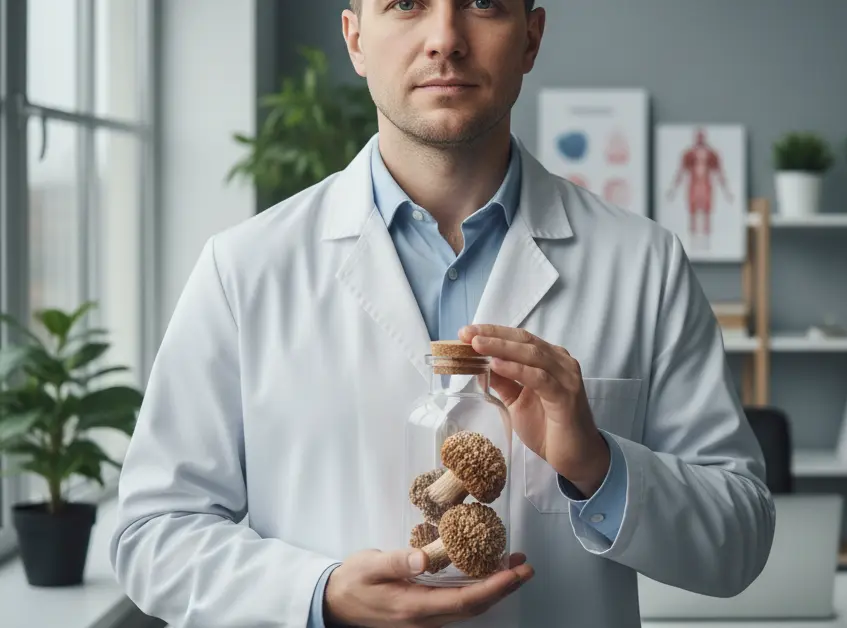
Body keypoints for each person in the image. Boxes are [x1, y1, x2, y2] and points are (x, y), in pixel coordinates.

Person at [109, 1, 775, 627]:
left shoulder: (643, 265)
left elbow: (740, 536)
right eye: (405, 3)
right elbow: (152, 535)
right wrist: (318, 595)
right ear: (356, 38)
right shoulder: (243, 269)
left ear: (532, 38)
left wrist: (599, 466)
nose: (445, 39)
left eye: (483, 2)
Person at [666, 128, 734, 246]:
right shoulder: (689, 154)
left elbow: (720, 173)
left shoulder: (712, 154)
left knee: (707, 211)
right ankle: (692, 240)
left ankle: (707, 240)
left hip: (706, 184)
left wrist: (726, 192)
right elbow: (680, 173)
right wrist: (673, 190)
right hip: (693, 184)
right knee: (692, 211)